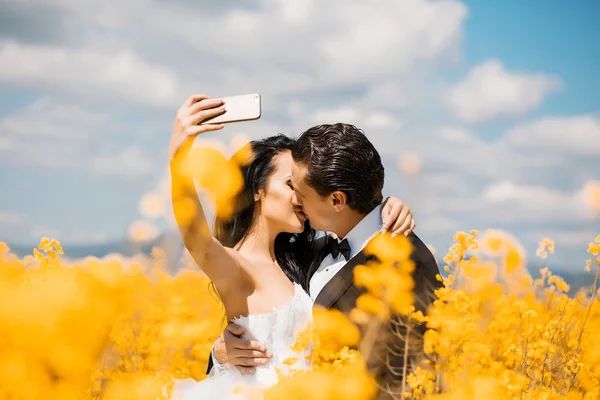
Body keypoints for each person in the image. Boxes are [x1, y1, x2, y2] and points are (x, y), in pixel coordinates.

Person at [168, 95, 418, 399]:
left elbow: (352, 224)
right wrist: (179, 157)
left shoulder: (307, 261)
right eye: (291, 185)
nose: (301, 197)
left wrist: (384, 208)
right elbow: (198, 239)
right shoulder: (237, 268)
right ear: (258, 190)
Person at [210, 122, 442, 399]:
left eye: (300, 191)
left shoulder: (409, 263)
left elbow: (417, 373)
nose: (295, 199)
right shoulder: (307, 252)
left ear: (337, 200)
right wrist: (221, 354)